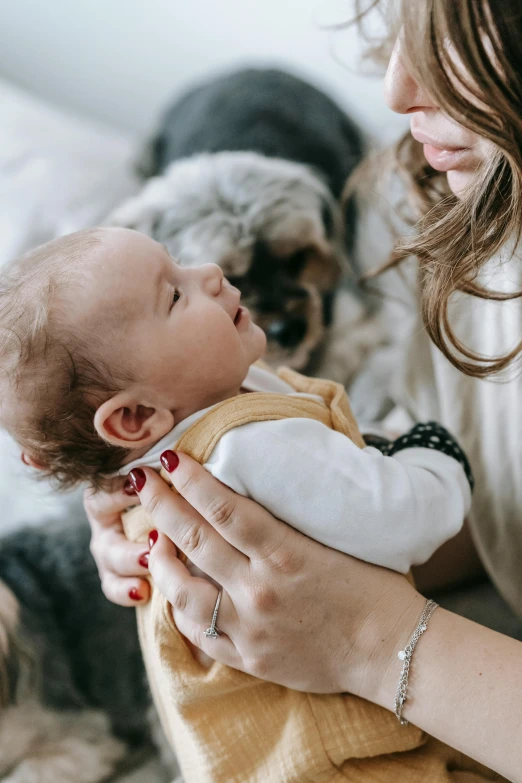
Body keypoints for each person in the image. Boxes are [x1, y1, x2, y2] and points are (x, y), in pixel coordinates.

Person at [85, 0, 522, 780]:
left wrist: (369, 638)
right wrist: (212, 547)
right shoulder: (456, 204)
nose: (396, 89)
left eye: (460, 37)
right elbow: (500, 519)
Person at [0, 224, 476, 779]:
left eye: (177, 261)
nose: (210, 272)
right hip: (345, 758)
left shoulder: (163, 450)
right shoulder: (248, 446)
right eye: (175, 294)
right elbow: (403, 519)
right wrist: (433, 457)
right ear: (134, 418)